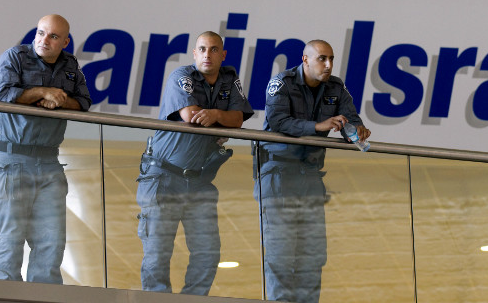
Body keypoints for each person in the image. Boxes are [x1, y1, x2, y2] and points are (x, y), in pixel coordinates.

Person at [136, 31, 253, 295]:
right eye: (201, 49)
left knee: (208, 253)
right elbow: (191, 116)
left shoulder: (229, 78)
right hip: (163, 178)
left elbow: (237, 119)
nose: (207, 55)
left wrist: (214, 114)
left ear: (222, 55)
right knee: (157, 253)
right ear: (194, 53)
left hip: (200, 181)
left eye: (213, 50)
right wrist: (220, 117)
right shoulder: (181, 76)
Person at [255, 39, 371, 303]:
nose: (328, 65)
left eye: (331, 58)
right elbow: (278, 121)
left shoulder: (336, 87)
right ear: (305, 59)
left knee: (312, 258)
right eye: (322, 58)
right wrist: (317, 126)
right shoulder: (281, 83)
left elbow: (351, 116)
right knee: (281, 258)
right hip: (278, 176)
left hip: (311, 177)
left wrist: (357, 129)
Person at [0, 14, 92, 283]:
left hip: (48, 163)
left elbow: (83, 102)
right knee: (9, 242)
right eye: (41, 33)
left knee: (51, 244)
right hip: (9, 159)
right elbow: (3, 96)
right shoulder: (15, 57)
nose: (44, 40)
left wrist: (59, 101)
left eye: (53, 36)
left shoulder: (70, 65)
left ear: (65, 42)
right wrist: (43, 92)